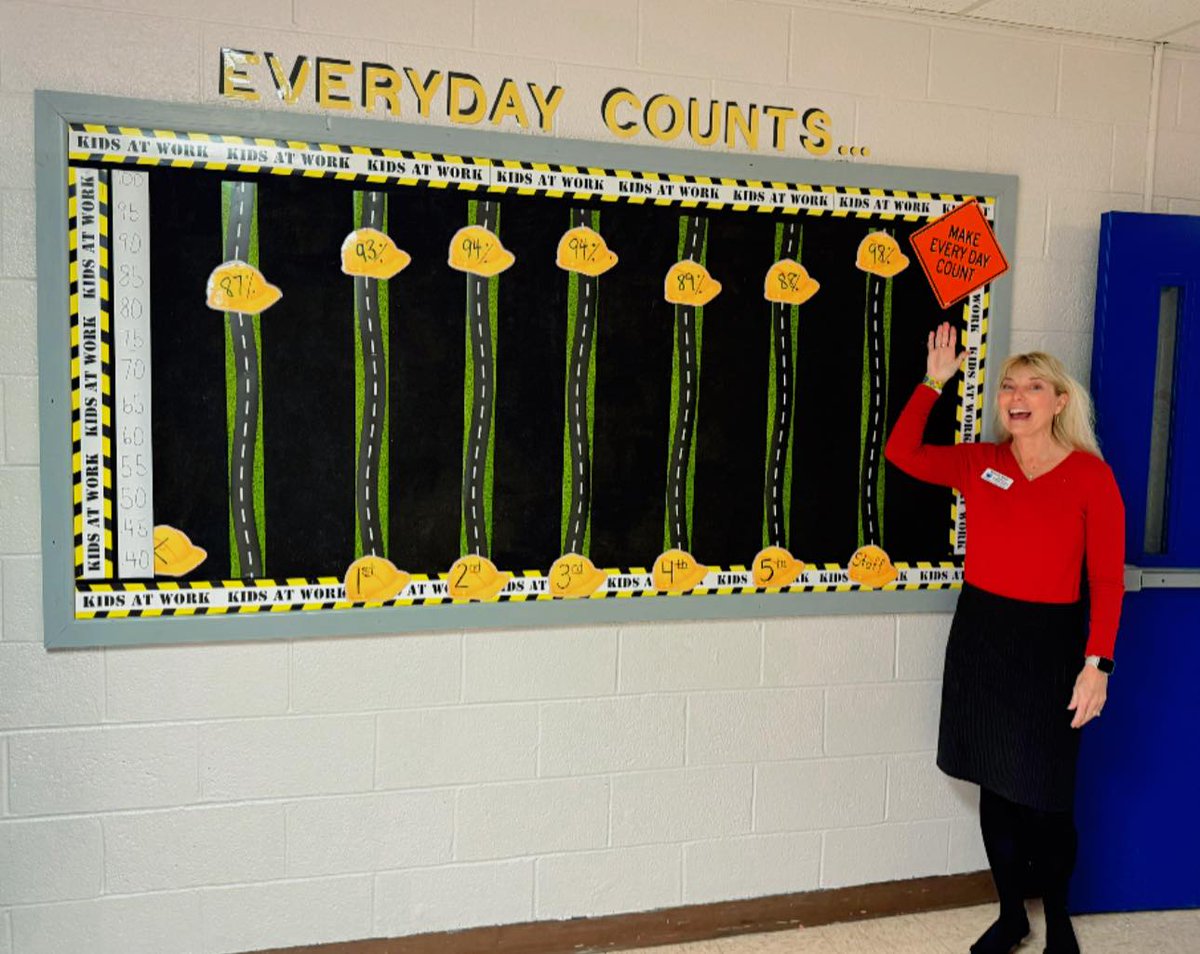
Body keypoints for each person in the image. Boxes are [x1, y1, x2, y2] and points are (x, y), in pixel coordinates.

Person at [885, 322, 1124, 954]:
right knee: (996, 781)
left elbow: (1105, 578)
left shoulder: (1091, 477)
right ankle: (1011, 913)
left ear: (1060, 402)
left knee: (1046, 795)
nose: (1018, 397)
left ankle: (1061, 918)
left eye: (1034, 386)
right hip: (984, 632)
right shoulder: (980, 462)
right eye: (1008, 387)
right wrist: (933, 382)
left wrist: (1097, 663)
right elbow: (903, 453)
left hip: (1053, 642)